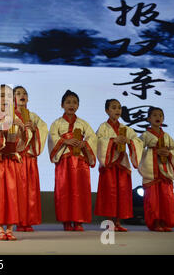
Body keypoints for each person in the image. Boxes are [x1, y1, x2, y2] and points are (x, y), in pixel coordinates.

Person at [0, 84, 30, 241]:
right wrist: (1, 128)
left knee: (12, 194)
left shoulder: (16, 119)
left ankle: (10, 228)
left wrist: (22, 129)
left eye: (9, 96)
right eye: (2, 96)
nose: (5, 99)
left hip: (12, 160)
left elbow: (23, 144)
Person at [48, 90, 97, 231]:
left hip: (81, 162)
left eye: (75, 102)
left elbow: (92, 138)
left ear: (78, 106)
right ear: (62, 105)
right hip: (64, 161)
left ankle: (79, 221)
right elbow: (52, 138)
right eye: (68, 102)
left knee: (80, 191)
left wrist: (84, 144)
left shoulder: (83, 124)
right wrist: (65, 141)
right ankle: (66, 221)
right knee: (64, 190)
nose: (71, 105)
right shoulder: (56, 123)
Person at [94, 99, 143, 231]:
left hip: (122, 164)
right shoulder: (103, 127)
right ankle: (110, 222)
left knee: (122, 193)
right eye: (114, 107)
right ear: (107, 111)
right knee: (110, 193)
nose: (117, 110)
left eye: (119, 108)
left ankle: (118, 222)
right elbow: (97, 141)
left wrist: (129, 141)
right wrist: (112, 140)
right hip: (109, 164)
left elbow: (137, 141)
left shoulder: (125, 128)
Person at [138, 107, 174, 232]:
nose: (158, 117)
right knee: (152, 199)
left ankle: (165, 222)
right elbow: (138, 150)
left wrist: (169, 153)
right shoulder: (145, 135)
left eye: (160, 115)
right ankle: (155, 222)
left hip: (165, 172)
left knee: (166, 198)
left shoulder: (166, 136)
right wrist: (154, 152)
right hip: (152, 172)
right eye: (155, 115)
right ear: (148, 119)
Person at [13, 86, 48, 232]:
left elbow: (43, 129)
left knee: (31, 191)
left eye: (25, 93)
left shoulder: (34, 117)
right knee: (18, 191)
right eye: (18, 93)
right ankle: (17, 220)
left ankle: (28, 221)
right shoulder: (10, 117)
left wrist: (35, 130)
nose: (22, 95)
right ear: (13, 98)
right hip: (17, 159)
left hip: (30, 158)